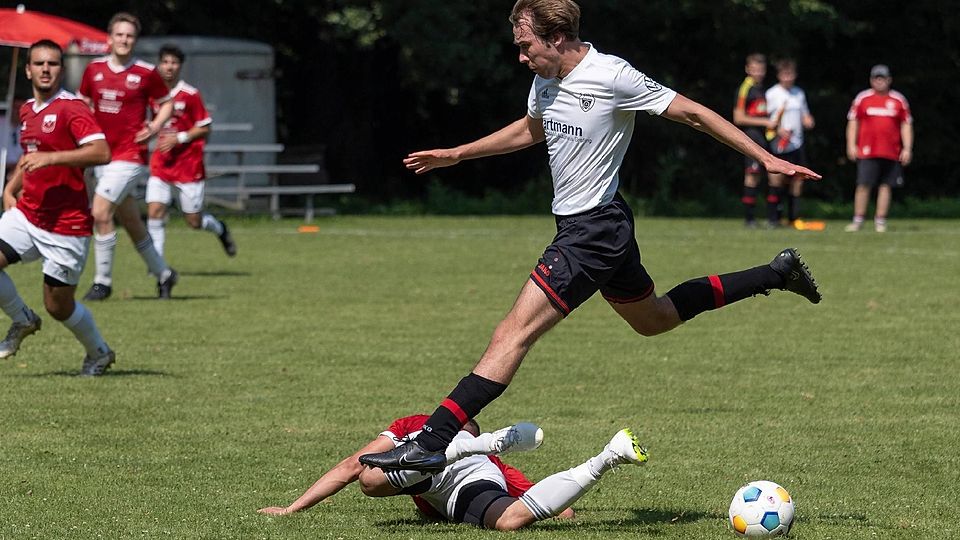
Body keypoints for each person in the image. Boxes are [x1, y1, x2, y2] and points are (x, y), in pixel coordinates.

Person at [360, 0, 821, 474]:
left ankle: (432, 442)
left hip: (593, 231)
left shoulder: (613, 75)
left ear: (556, 38)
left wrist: (765, 158)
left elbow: (695, 114)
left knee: (510, 336)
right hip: (592, 228)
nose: (520, 57)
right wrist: (459, 154)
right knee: (654, 319)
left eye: (525, 46)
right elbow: (531, 130)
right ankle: (776, 272)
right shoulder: (545, 80)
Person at [259, 414, 647, 530]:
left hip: (459, 481)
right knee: (371, 477)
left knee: (369, 478)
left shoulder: (408, 425)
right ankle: (605, 457)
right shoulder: (496, 462)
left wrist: (294, 509)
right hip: (459, 470)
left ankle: (608, 457)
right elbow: (562, 511)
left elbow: (349, 467)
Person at [0, 40, 116, 376]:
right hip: (29, 213)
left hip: (67, 224)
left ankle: (99, 352)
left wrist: (53, 158)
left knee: (58, 306)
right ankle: (22, 319)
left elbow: (101, 151)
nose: (45, 69)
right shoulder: (26, 110)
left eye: (52, 64)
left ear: (61, 70)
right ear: (28, 69)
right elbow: (30, 156)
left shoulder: (72, 108)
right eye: (39, 63)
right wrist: (11, 188)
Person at [76, 12, 179, 300]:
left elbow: (167, 103)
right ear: (109, 38)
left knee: (99, 211)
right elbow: (82, 104)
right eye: (119, 34)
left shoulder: (146, 73)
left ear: (135, 40)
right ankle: (164, 274)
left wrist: (155, 127)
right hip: (102, 157)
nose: (124, 40)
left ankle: (102, 282)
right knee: (132, 222)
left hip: (130, 156)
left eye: (129, 35)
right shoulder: (93, 70)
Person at [145, 45, 236, 258]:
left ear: (180, 66)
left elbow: (205, 127)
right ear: (159, 64)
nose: (169, 67)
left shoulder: (190, 94)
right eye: (165, 62)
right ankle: (157, 266)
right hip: (161, 164)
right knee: (155, 211)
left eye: (174, 63)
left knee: (194, 221)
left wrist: (180, 137)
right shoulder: (152, 94)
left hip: (188, 164)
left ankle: (220, 229)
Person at [844, 65, 913, 233]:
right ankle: (858, 219)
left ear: (889, 80)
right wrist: (851, 145)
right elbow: (853, 123)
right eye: (876, 78)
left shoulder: (898, 100)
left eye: (883, 78)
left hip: (891, 150)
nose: (879, 81)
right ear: (871, 80)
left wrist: (907, 148)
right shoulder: (863, 98)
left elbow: (906, 125)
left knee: (886, 186)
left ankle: (880, 220)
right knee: (863, 184)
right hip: (868, 150)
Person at [764, 58, 815, 226]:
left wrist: (808, 120)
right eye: (785, 74)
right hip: (779, 143)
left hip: (796, 143)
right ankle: (774, 218)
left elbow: (805, 114)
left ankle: (793, 217)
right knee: (776, 180)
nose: (788, 78)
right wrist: (779, 130)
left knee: (798, 180)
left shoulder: (798, 93)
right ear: (779, 75)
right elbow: (767, 118)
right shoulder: (772, 94)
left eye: (791, 74)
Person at [732, 53, 777, 228]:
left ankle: (773, 218)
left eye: (761, 69)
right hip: (751, 135)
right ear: (747, 69)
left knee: (772, 175)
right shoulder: (745, 89)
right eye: (754, 69)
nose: (758, 73)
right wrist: (765, 121)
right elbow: (739, 117)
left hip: (765, 136)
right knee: (752, 174)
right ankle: (749, 218)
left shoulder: (764, 89)